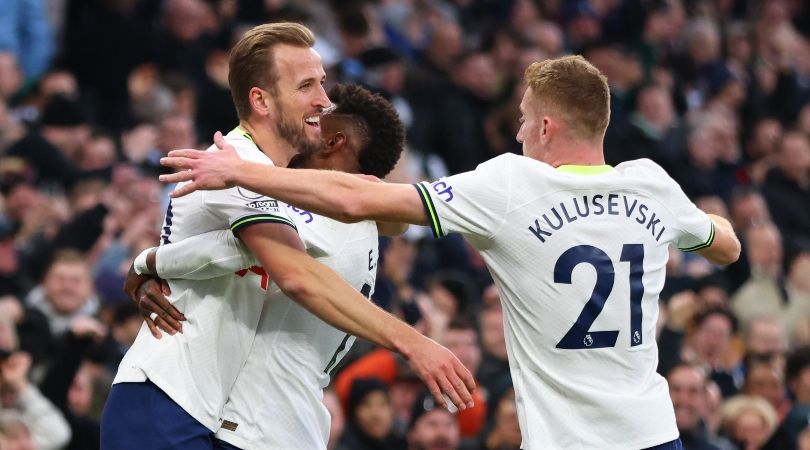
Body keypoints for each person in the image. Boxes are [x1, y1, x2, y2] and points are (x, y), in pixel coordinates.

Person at [161, 55, 742, 449]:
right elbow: (727, 246)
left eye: (521, 122)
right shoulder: (653, 185)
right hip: (655, 433)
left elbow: (353, 198)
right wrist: (699, 225)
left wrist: (240, 173)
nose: (517, 134)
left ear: (544, 126)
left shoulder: (513, 185)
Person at [101, 23, 473, 450]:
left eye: (322, 83)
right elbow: (297, 275)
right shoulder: (233, 164)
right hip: (164, 396)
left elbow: (370, 217)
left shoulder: (271, 181)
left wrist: (148, 262)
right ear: (260, 99)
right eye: (306, 86)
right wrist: (414, 344)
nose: (323, 99)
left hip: (206, 411)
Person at [126, 83, 423, 450]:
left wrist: (147, 262)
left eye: (317, 122)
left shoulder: (331, 216)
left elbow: (232, 250)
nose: (307, 124)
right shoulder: (359, 220)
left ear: (333, 143)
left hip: (259, 425)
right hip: (282, 422)